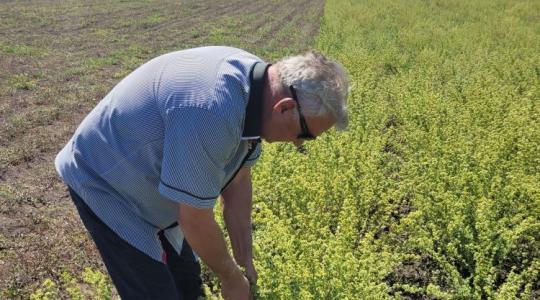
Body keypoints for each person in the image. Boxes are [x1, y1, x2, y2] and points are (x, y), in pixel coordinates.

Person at [55, 46, 349, 299]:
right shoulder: (212, 109)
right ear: (285, 108)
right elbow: (194, 219)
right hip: (106, 180)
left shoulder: (259, 87)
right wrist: (230, 278)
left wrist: (243, 263)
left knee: (188, 285)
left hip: (152, 181)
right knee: (155, 292)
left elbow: (238, 183)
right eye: (305, 135)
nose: (298, 143)